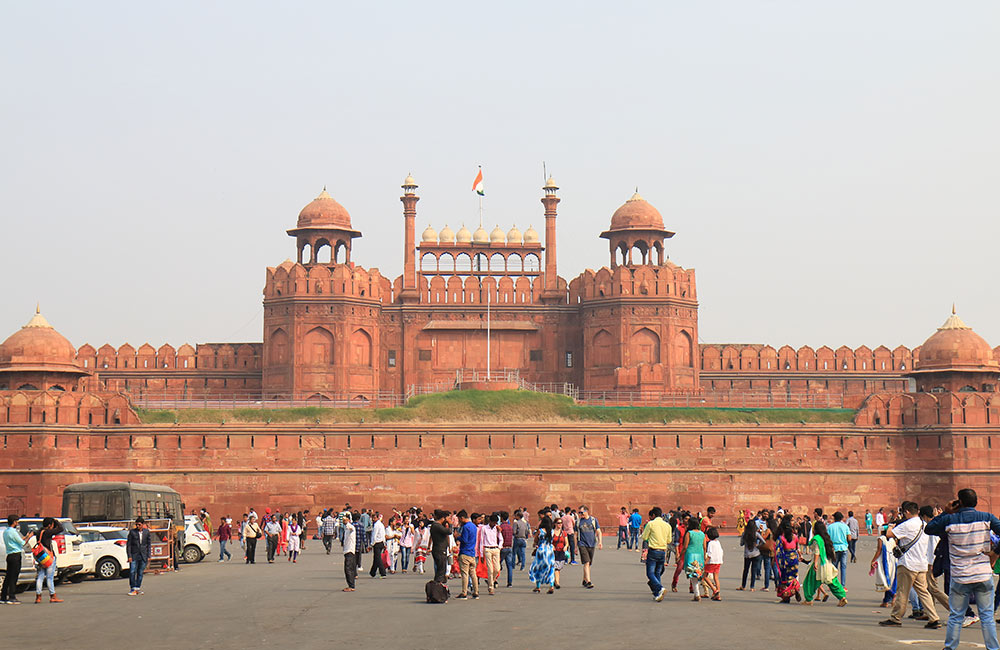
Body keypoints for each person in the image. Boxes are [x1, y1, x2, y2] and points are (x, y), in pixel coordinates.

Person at [925, 488, 1000, 650]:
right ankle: (993, 648)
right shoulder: (987, 518)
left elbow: (928, 529)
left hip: (960, 576)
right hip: (983, 574)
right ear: (976, 502)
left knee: (956, 616)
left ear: (959, 503)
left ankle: (950, 647)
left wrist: (946, 512)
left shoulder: (950, 520)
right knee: (987, 616)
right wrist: (995, 552)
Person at [879, 501, 940, 629]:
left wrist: (890, 526)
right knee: (924, 592)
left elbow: (890, 534)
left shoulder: (907, 525)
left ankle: (896, 618)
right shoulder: (924, 524)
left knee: (902, 592)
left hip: (908, 564)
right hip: (921, 564)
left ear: (906, 512)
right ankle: (934, 618)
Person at [802, 520, 848, 606]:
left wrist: (815, 563)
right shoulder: (825, 538)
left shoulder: (816, 539)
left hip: (819, 563)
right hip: (827, 562)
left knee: (809, 582)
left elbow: (817, 551)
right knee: (832, 582)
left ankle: (808, 600)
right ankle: (842, 597)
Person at [641, 507, 671, 601]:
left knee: (650, 573)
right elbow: (669, 540)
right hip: (662, 551)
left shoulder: (651, 524)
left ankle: (659, 588)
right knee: (657, 572)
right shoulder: (667, 525)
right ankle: (657, 594)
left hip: (653, 550)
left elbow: (644, 537)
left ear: (653, 515)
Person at [31, 517, 63, 603]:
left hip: (41, 557)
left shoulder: (39, 532)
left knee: (40, 577)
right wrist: (55, 521)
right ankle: (53, 596)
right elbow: (61, 528)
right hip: (49, 557)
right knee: (49, 578)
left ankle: (38, 597)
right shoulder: (48, 532)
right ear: (49, 525)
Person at [2, 514, 27, 604]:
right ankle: (12, 596)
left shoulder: (6, 532)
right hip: (16, 555)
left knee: (8, 576)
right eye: (17, 522)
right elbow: (22, 543)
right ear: (14, 522)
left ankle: (3, 596)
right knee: (14, 577)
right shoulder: (13, 531)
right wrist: (29, 536)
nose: (17, 523)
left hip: (9, 555)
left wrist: (25, 537)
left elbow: (16, 540)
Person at [775, 517, 802, 603]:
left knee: (784, 579)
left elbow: (778, 550)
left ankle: (786, 597)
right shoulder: (795, 537)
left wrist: (776, 560)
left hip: (785, 559)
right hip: (794, 558)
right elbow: (797, 548)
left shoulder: (781, 538)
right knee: (793, 577)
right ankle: (795, 589)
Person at [529, 511, 555, 594]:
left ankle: (538, 586)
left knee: (538, 568)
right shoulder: (552, 531)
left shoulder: (540, 531)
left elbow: (536, 540)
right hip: (549, 551)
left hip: (541, 551)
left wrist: (535, 544)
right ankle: (551, 585)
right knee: (551, 568)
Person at [872, 524, 898, 607]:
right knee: (891, 579)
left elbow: (879, 550)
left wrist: (873, 560)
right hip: (893, 560)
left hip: (884, 560)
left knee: (885, 580)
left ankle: (893, 594)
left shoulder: (881, 538)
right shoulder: (893, 539)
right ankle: (886, 601)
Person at [576, 505, 601, 589]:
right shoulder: (578, 522)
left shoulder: (593, 520)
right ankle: (589, 581)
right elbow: (575, 535)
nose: (580, 514)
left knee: (588, 563)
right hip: (582, 544)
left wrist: (600, 542)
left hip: (592, 543)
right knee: (586, 562)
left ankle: (584, 579)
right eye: (579, 512)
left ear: (586, 511)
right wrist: (575, 547)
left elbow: (598, 531)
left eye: (581, 512)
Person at [455, 510, 479, 598]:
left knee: (465, 574)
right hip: (472, 552)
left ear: (462, 518)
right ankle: (476, 591)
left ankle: (464, 592)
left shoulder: (465, 527)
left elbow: (464, 540)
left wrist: (458, 537)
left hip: (465, 552)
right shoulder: (473, 526)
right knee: (473, 573)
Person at [683, 515, 707, 601]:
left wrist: (680, 555)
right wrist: (704, 556)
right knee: (698, 573)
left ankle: (697, 594)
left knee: (692, 574)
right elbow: (704, 547)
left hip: (690, 554)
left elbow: (685, 546)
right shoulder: (702, 534)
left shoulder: (689, 533)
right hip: (700, 555)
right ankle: (697, 593)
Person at [126, 516, 151, 596]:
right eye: (136, 524)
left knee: (140, 572)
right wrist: (129, 556)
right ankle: (132, 588)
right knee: (132, 571)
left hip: (143, 555)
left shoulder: (146, 532)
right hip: (134, 555)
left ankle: (138, 588)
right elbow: (129, 545)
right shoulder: (132, 532)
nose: (137, 526)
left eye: (139, 524)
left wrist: (149, 555)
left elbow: (148, 544)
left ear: (143, 524)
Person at [480, 514, 503, 595]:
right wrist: (481, 554)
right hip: (487, 549)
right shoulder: (484, 528)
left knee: (497, 569)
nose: (494, 524)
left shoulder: (497, 528)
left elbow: (501, 539)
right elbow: (481, 541)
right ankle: (491, 587)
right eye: (493, 522)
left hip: (495, 548)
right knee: (490, 569)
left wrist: (499, 547)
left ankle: (491, 581)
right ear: (490, 521)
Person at [739, 517, 762, 591]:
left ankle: (743, 586)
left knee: (746, 570)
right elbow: (763, 541)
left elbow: (741, 544)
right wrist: (758, 545)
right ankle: (752, 587)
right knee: (753, 571)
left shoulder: (744, 534)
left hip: (747, 554)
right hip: (756, 553)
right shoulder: (756, 534)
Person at [827, 511, 851, 585]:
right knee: (843, 567)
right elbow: (849, 538)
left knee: (834, 567)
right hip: (843, 547)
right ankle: (843, 585)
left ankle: (834, 584)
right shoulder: (845, 526)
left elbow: (827, 538)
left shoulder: (830, 527)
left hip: (834, 548)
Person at [429, 510, 451, 584]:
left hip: (438, 549)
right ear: (442, 518)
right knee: (441, 571)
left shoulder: (436, 525)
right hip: (440, 550)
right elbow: (449, 531)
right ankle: (437, 587)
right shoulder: (437, 526)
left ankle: (437, 587)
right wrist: (450, 524)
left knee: (440, 570)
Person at [704, 526, 723, 601]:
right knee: (716, 578)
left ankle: (715, 590)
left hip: (712, 562)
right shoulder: (717, 542)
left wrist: (705, 563)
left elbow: (709, 554)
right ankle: (718, 594)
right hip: (718, 561)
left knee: (705, 576)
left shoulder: (711, 543)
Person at [342, 512, 357, 591]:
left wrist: (347, 523)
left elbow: (351, 528)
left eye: (345, 519)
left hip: (350, 551)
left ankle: (351, 586)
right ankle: (351, 585)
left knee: (348, 569)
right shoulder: (346, 528)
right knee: (349, 568)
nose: (343, 520)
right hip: (347, 550)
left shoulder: (350, 527)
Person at [552, 517, 568, 589]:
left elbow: (567, 543)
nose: (560, 524)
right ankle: (557, 582)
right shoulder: (552, 532)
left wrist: (566, 547)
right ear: (555, 524)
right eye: (558, 523)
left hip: (561, 551)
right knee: (555, 568)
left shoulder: (564, 533)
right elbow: (549, 541)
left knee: (559, 568)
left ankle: (555, 581)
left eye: (561, 523)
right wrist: (551, 545)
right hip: (554, 551)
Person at [369, 512, 387, 578]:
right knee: (376, 558)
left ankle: (383, 573)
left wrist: (371, 544)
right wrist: (384, 543)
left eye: (374, 518)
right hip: (381, 542)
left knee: (378, 559)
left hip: (377, 543)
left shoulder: (376, 525)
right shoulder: (381, 524)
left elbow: (374, 535)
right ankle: (372, 572)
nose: (373, 519)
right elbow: (383, 535)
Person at [499, 511, 514, 587]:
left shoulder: (501, 527)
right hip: (509, 547)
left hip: (503, 547)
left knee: (497, 564)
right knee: (509, 566)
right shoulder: (510, 527)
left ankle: (494, 580)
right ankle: (509, 582)